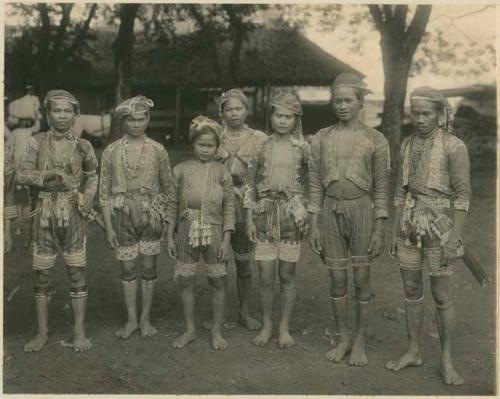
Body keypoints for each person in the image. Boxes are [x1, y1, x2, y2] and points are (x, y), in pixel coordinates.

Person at [386, 87, 470, 386]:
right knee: (411, 289)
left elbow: (462, 196)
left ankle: (446, 359)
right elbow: (400, 189)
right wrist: (395, 229)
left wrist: (452, 239)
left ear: (440, 113)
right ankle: (413, 350)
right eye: (415, 113)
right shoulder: (407, 144)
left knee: (442, 295)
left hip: (439, 227)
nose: (420, 119)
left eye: (427, 113)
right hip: (409, 224)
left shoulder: (454, 146)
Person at [309, 73, 391, 366]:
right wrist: (314, 223)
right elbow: (315, 184)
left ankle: (360, 340)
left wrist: (379, 228)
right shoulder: (321, 138)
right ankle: (343, 337)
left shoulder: (375, 140)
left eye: (348, 100)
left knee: (361, 278)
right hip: (331, 210)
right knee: (337, 278)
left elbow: (381, 187)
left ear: (360, 102)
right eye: (337, 100)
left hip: (362, 211)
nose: (342, 106)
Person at [17, 89, 98, 352]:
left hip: (73, 214)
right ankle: (42, 333)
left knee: (77, 273)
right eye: (56, 110)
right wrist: (48, 173)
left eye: (67, 111)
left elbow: (93, 175)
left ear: (76, 114)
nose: (62, 115)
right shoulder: (35, 142)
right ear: (48, 113)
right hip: (43, 213)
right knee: (42, 276)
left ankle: (79, 332)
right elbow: (21, 174)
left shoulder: (83, 145)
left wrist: (87, 196)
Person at [100, 95, 171, 339]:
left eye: (141, 119)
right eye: (130, 120)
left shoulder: (157, 150)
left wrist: (157, 212)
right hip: (121, 212)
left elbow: (167, 187)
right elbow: (104, 193)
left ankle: (146, 318)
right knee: (128, 267)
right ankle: (131, 319)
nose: (136, 124)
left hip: (149, 212)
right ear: (122, 121)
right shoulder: (111, 151)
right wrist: (109, 228)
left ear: (148, 120)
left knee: (149, 267)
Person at [245, 92, 309, 349]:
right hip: (264, 213)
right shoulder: (261, 146)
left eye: (288, 117)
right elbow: (249, 185)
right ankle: (266, 325)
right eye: (278, 115)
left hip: (291, 215)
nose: (282, 121)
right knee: (265, 273)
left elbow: (312, 183)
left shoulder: (304, 149)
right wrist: (249, 219)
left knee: (287, 273)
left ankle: (284, 327)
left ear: (296, 120)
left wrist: (305, 209)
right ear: (271, 116)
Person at [166, 116, 235, 350]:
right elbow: (173, 204)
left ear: (217, 147)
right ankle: (190, 329)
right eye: (201, 145)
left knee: (218, 280)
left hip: (215, 231)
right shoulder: (181, 170)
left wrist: (226, 239)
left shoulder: (222, 172)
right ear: (192, 144)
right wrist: (169, 236)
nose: (205, 150)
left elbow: (229, 208)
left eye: (210, 146)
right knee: (186, 280)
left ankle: (216, 330)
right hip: (186, 230)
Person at [216, 88, 267, 330]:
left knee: (244, 263)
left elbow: (265, 174)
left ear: (246, 110)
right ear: (222, 112)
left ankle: (244, 311)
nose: (234, 113)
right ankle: (220, 313)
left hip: (246, 205)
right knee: (218, 262)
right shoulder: (213, 134)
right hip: (218, 205)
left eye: (239, 108)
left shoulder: (259, 138)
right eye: (229, 109)